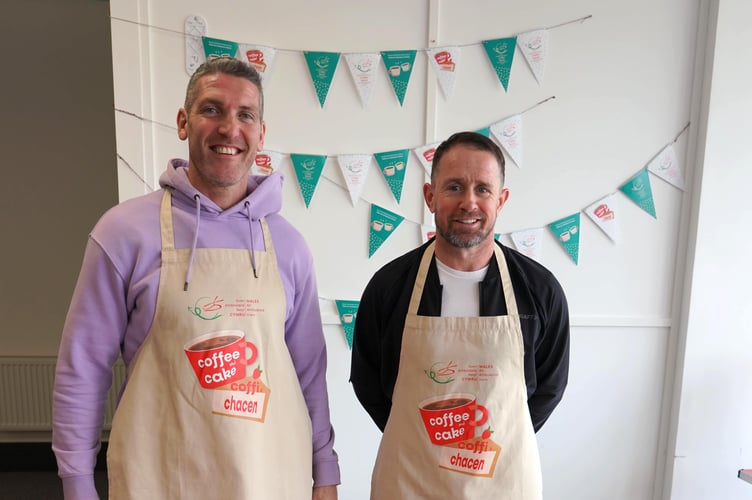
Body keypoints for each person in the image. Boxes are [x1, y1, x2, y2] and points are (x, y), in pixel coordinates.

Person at [52, 57, 339, 500]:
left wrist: (325, 474)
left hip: (270, 478)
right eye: (212, 110)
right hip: (160, 477)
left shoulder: (290, 246)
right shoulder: (124, 232)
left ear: (261, 134)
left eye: (245, 115)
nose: (229, 128)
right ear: (184, 122)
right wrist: (77, 482)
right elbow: (82, 367)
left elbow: (309, 375)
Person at [350, 131, 569, 499]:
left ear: (501, 200)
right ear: (430, 196)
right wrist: (420, 442)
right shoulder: (389, 287)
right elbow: (368, 380)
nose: (469, 202)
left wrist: (498, 439)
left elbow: (550, 385)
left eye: (483, 189)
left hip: (503, 480)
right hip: (409, 480)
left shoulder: (539, 290)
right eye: (454, 187)